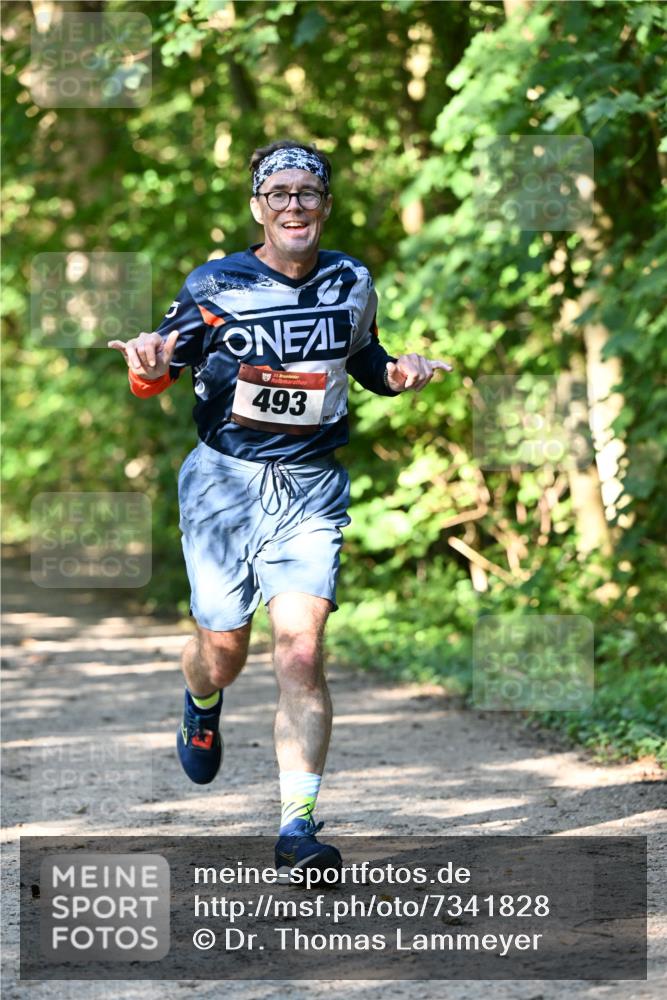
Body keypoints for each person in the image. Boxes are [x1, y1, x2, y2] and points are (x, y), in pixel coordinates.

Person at [109, 140, 452, 878]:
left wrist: (398, 374)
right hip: (223, 485)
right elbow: (160, 370)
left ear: (325, 204)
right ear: (258, 205)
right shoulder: (215, 284)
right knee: (224, 657)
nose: (293, 204)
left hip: (308, 487)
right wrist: (145, 369)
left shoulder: (351, 279)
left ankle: (297, 827)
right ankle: (200, 698)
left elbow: (365, 361)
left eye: (307, 193)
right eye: (279, 192)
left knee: (299, 653)